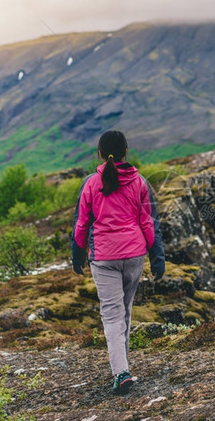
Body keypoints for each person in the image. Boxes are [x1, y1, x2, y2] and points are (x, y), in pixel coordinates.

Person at [71, 130, 165, 394]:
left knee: (112, 316)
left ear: (100, 153)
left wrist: (77, 254)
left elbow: (81, 223)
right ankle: (123, 369)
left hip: (104, 257)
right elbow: (148, 222)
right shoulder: (140, 182)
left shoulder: (91, 183)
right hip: (135, 255)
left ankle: (121, 372)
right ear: (126, 151)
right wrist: (157, 258)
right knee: (124, 312)